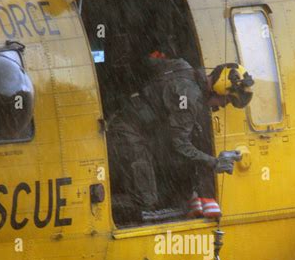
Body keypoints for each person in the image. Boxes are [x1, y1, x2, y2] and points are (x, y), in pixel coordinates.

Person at [107, 56, 254, 221]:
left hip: (125, 124)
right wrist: (214, 162)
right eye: (226, 101)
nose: (220, 106)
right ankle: (105, 206)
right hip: (128, 135)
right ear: (218, 88)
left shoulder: (182, 66)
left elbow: (148, 64)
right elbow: (179, 145)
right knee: (145, 201)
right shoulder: (190, 98)